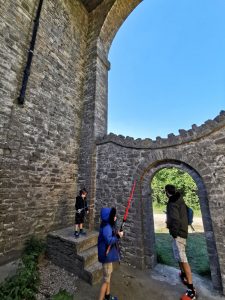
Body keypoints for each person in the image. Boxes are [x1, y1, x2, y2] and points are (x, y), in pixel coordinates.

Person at [165, 184, 197, 300]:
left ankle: (191, 290)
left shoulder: (173, 204)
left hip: (179, 234)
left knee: (183, 259)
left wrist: (174, 233)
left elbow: (175, 220)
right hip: (182, 231)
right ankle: (183, 274)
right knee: (179, 256)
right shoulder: (179, 199)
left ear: (167, 192)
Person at [98, 207, 123, 300]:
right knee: (105, 280)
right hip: (106, 256)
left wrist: (114, 222)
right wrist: (118, 236)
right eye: (113, 215)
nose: (115, 216)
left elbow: (113, 230)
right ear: (109, 217)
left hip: (108, 256)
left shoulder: (107, 224)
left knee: (108, 276)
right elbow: (109, 240)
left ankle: (107, 296)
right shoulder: (106, 227)